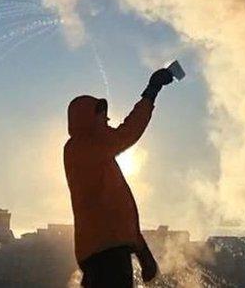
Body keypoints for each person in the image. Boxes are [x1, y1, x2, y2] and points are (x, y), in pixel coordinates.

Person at [64, 68, 174, 287]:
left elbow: (117, 213)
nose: (107, 122)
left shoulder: (96, 157)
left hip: (105, 255)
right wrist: (151, 92)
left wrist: (144, 255)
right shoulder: (83, 148)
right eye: (102, 118)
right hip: (106, 259)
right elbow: (128, 132)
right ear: (89, 119)